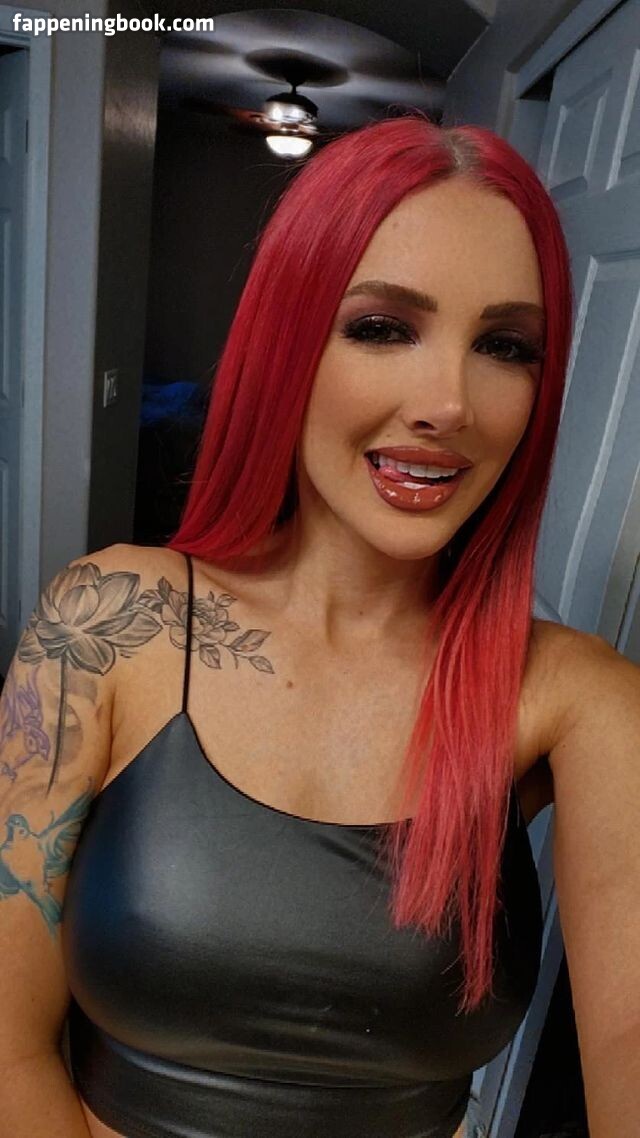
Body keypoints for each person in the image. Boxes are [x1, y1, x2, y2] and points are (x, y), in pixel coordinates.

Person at [1, 113, 638, 1138]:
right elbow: (6, 1043)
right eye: (382, 327)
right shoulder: (112, 620)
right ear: (287, 343)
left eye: (505, 346)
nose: (448, 403)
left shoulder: (576, 699)